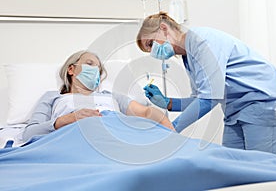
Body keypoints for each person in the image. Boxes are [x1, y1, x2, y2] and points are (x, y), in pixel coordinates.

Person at [136, 12, 276, 157]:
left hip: (263, 103)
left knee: (266, 174)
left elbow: (209, 98)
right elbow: (200, 98)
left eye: (151, 44)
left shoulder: (201, 41)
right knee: (234, 169)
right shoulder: (188, 55)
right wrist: (168, 102)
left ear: (164, 28)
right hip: (236, 112)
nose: (152, 52)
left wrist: (172, 128)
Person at [20, 50, 174, 142]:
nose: (95, 70)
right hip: (75, 137)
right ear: (71, 70)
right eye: (89, 63)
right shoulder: (53, 97)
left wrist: (173, 134)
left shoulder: (110, 97)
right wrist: (68, 119)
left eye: (99, 69)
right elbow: (29, 134)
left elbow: (147, 112)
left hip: (119, 135)